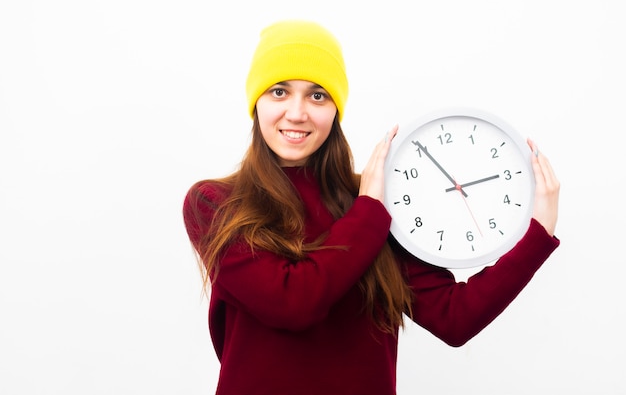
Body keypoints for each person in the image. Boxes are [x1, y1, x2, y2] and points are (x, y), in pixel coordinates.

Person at [183, 20, 560, 395]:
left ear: (335, 109)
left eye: (318, 96)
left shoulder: (374, 202)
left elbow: (454, 317)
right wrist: (369, 210)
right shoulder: (213, 204)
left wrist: (538, 233)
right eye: (279, 92)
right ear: (256, 102)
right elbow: (293, 303)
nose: (297, 113)